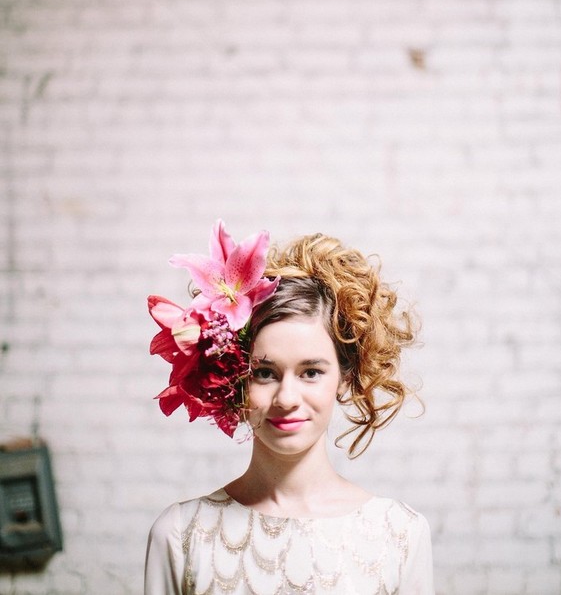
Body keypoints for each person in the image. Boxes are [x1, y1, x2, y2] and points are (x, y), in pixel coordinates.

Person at [144, 220, 434, 595]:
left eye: (311, 372)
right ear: (233, 378)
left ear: (345, 377)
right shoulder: (181, 534)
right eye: (264, 372)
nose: (286, 398)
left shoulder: (400, 535)